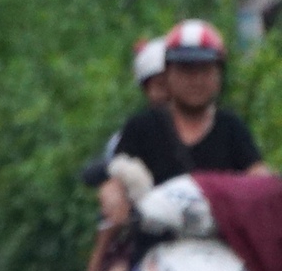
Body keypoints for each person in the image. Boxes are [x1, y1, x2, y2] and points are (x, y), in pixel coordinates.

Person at [110, 18, 265, 184]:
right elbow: (115, 181)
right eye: (187, 70)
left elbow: (258, 178)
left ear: (219, 75)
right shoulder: (141, 129)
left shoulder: (232, 128)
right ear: (168, 73)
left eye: (205, 69)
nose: (196, 80)